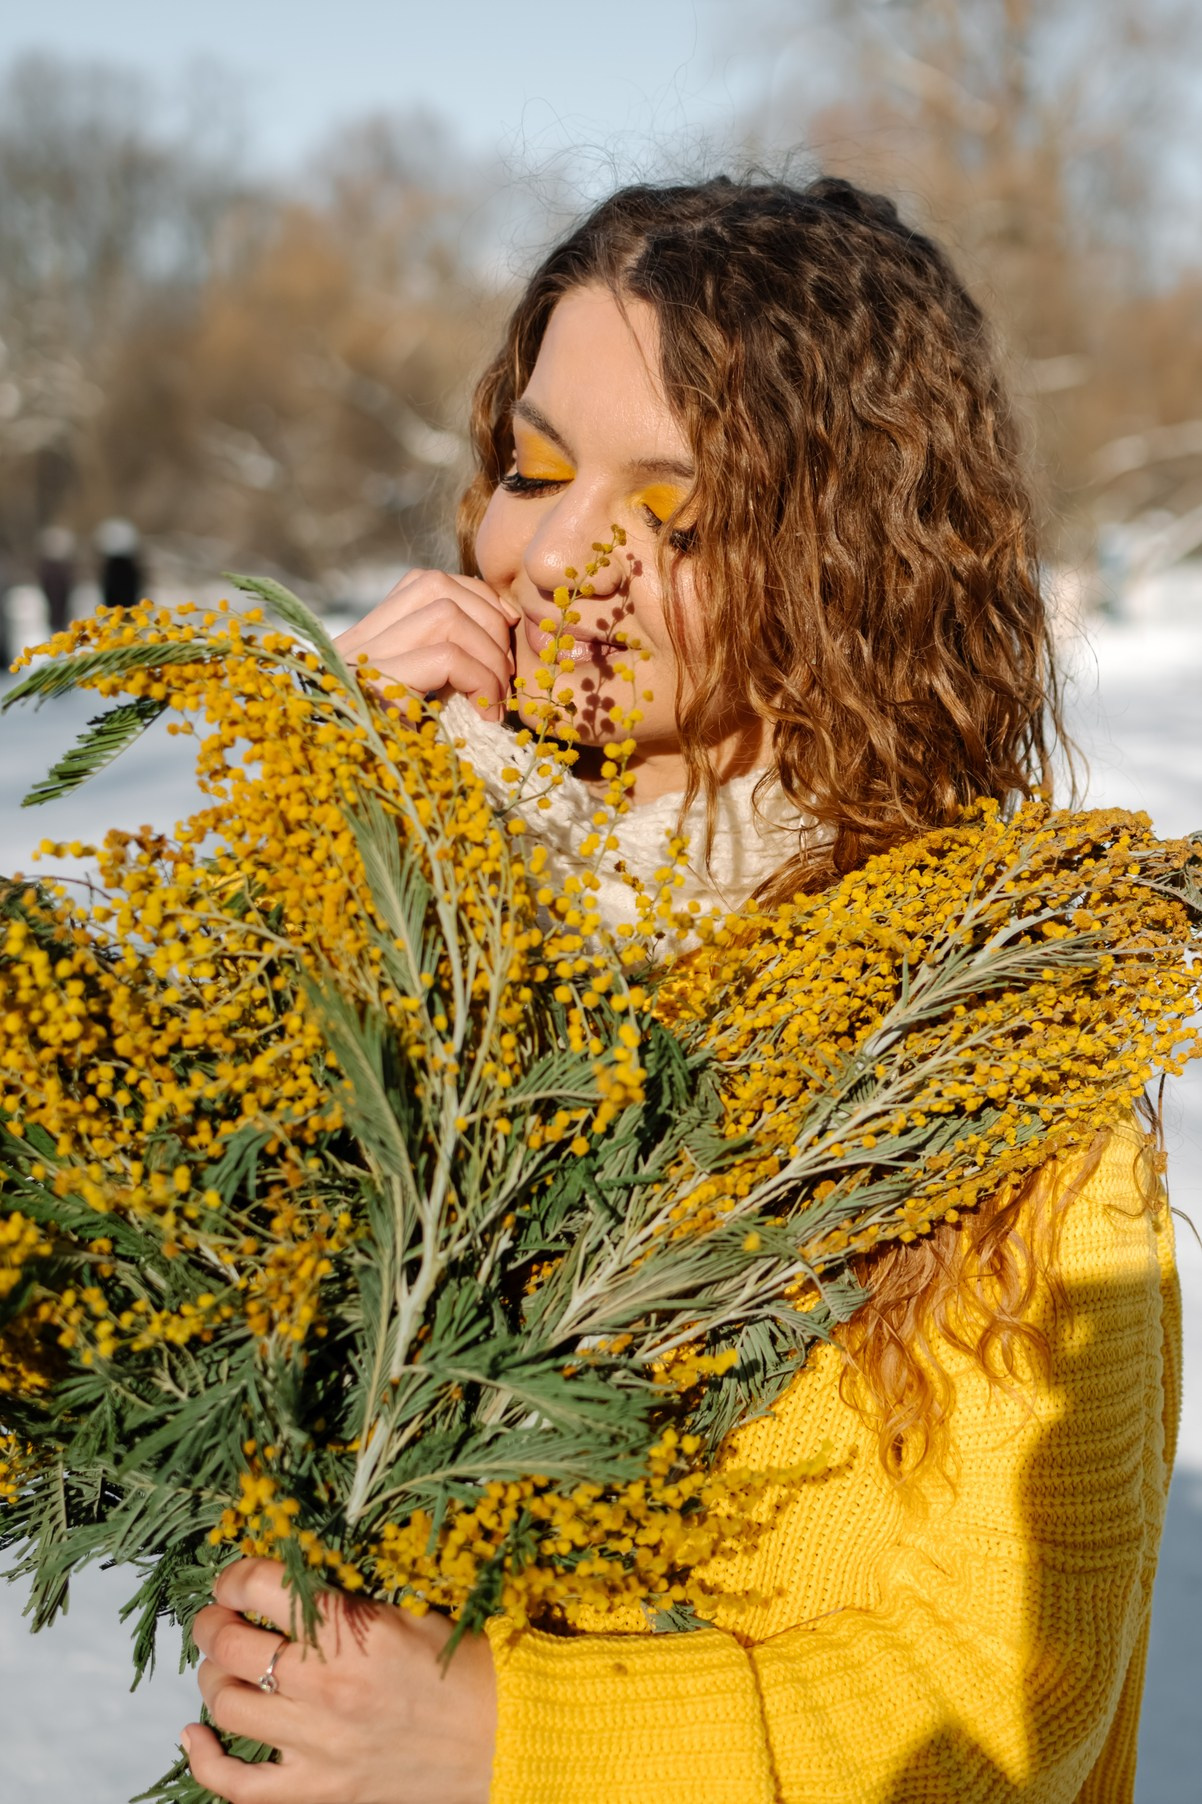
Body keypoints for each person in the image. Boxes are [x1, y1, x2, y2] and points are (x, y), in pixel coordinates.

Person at [180, 176, 1179, 1804]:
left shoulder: (992, 1046)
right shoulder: (418, 923)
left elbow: (1008, 1701)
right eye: (534, 468)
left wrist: (506, 1737)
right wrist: (328, 842)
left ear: (861, 566)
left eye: (686, 517)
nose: (559, 557)